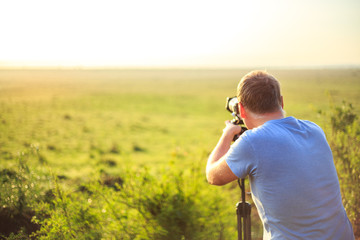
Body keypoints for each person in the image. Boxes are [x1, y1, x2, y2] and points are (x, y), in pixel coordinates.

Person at [206, 70, 355, 240]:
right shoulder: (314, 130)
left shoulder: (252, 142)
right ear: (281, 102)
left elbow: (213, 176)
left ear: (241, 109)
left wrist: (227, 134)